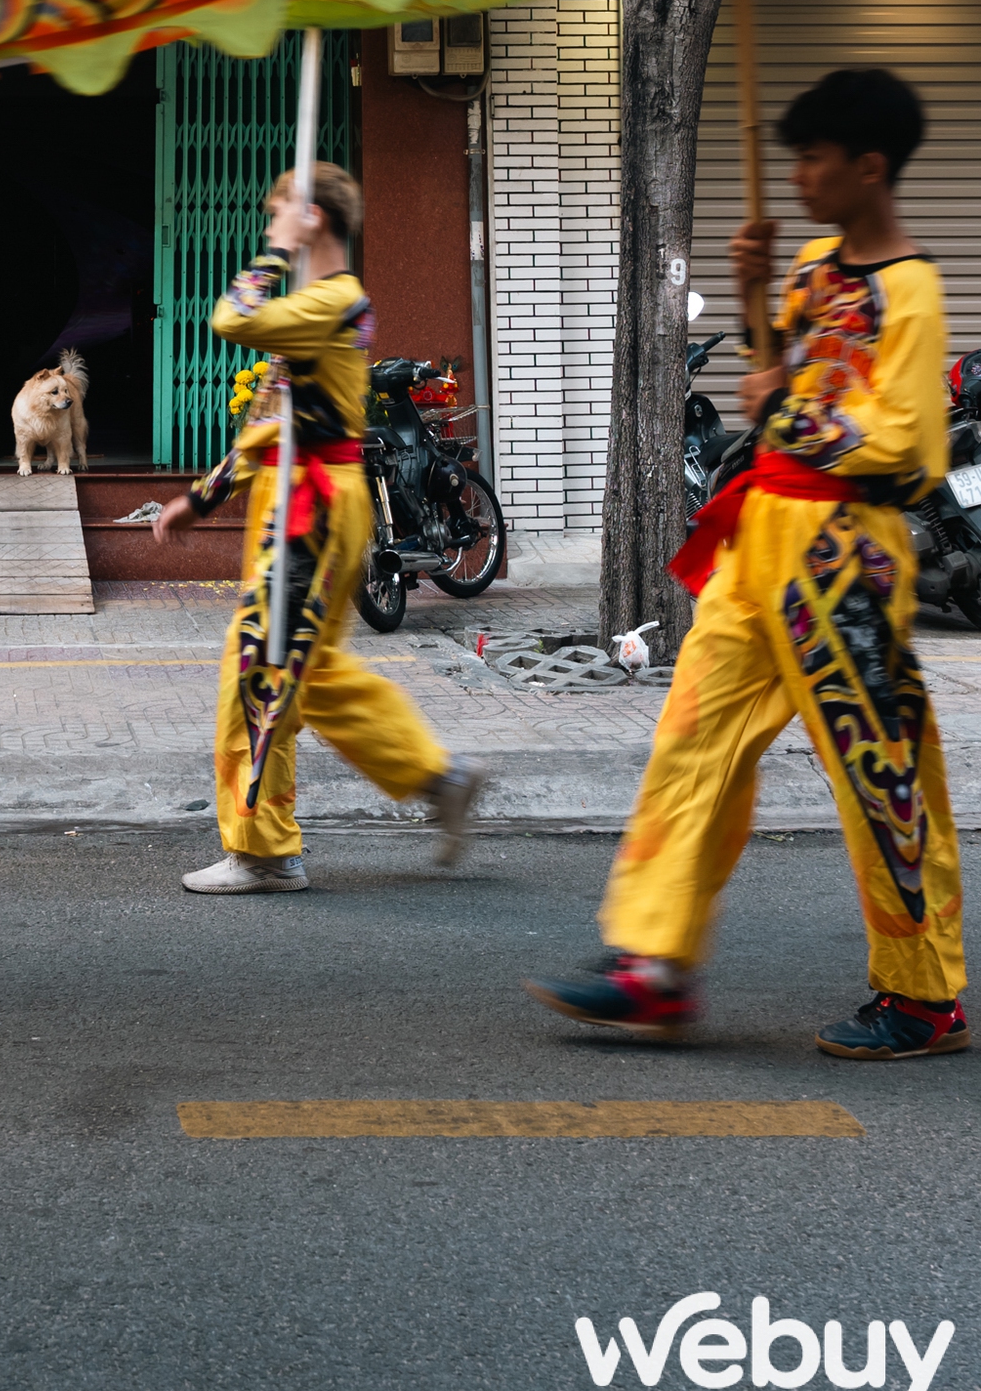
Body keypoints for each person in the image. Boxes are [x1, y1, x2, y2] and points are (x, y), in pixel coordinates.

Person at [526, 67, 967, 1056]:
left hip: (844, 551)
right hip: (755, 537)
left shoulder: (912, 287)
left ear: (868, 167)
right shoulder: (813, 259)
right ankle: (652, 960)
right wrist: (753, 286)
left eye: (815, 158)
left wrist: (784, 401)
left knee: (875, 765)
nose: (800, 174)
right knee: (691, 739)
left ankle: (922, 992)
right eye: (796, 156)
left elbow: (900, 443)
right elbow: (779, 361)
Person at [154, 163, 483, 892]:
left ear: (313, 220)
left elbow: (230, 317)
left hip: (309, 510)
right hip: (299, 498)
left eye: (282, 216)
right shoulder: (319, 306)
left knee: (260, 674)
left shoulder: (335, 302)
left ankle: (265, 852)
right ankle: (439, 779)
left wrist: (272, 250)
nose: (275, 229)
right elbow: (274, 422)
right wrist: (203, 497)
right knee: (314, 673)